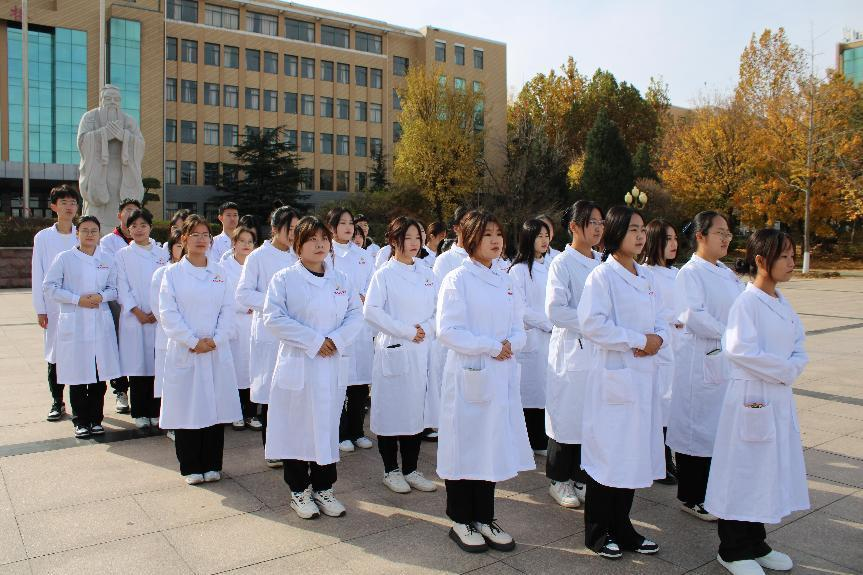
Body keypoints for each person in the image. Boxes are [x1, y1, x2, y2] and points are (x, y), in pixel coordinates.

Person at [705, 229, 809, 575]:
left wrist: (791, 368)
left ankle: (755, 541)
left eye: (793, 256)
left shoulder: (781, 301)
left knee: (764, 472)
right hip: (752, 398)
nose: (792, 262)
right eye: (785, 256)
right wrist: (785, 370)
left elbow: (799, 346)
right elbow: (739, 349)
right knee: (743, 472)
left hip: (775, 396)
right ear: (762, 261)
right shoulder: (747, 302)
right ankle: (732, 549)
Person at [436, 209, 533, 554]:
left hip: (499, 373)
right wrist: (492, 347)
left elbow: (519, 326)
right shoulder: (457, 279)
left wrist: (510, 344)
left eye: (498, 234)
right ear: (470, 239)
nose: (495, 240)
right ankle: (460, 519)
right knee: (465, 445)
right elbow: (448, 330)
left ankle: (484, 517)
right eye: (487, 234)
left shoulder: (506, 280)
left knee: (490, 445)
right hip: (470, 373)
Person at [576, 205, 665, 559]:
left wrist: (659, 338)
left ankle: (623, 526)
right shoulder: (602, 276)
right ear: (615, 233)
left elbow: (662, 319)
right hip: (614, 377)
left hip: (642, 377)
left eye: (643, 230)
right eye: (633, 230)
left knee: (632, 453)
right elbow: (593, 324)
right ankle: (598, 531)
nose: (640, 236)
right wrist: (639, 340)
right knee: (608, 454)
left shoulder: (646, 276)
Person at [263, 216, 364, 519]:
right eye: (311, 239)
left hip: (330, 365)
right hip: (300, 364)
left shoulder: (341, 279)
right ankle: (299, 491)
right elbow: (273, 318)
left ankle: (324, 488)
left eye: (323, 239)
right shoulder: (284, 279)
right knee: (296, 430)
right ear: (298, 245)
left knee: (327, 429)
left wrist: (335, 340)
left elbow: (355, 315)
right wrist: (314, 341)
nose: (319, 245)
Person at [667, 211, 743, 521]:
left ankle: (712, 491)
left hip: (724, 359)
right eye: (719, 233)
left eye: (728, 233)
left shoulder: (726, 272)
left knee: (716, 429)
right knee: (696, 429)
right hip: (700, 360)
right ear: (700, 236)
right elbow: (692, 315)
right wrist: (730, 334)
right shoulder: (690, 273)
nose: (726, 239)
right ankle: (691, 496)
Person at [159, 215, 242, 485]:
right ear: (184, 239)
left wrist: (216, 339)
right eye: (194, 234)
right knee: (188, 409)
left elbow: (228, 309)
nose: (201, 239)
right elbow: (168, 314)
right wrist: (193, 341)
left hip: (216, 349)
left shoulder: (219, 273)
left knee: (215, 408)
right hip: (187, 350)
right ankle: (190, 466)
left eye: (205, 234)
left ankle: (212, 463)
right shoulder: (172, 274)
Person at [364, 217, 438, 494]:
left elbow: (439, 310)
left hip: (421, 350)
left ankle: (411, 468)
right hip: (395, 347)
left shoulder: (427, 273)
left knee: (415, 413)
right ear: (394, 240)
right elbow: (371, 311)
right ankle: (391, 470)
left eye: (418, 237)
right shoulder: (384, 274)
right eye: (408, 238)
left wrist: (426, 328)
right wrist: (407, 331)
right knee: (391, 412)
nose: (415, 243)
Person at [544, 200, 604, 509]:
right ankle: (559, 478)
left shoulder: (604, 262)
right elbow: (556, 310)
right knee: (566, 416)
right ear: (574, 227)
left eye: (601, 222)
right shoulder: (562, 263)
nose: (598, 228)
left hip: (598, 352)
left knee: (589, 417)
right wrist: (593, 324)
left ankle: (581, 476)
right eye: (592, 222)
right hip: (573, 349)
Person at [43, 215, 121, 438]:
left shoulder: (107, 259)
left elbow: (114, 289)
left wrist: (100, 297)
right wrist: (77, 300)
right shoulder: (65, 258)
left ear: (99, 234)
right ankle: (80, 421)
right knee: (77, 376)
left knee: (98, 375)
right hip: (75, 321)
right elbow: (49, 287)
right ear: (77, 233)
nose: (89, 234)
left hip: (100, 321)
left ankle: (96, 419)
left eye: (94, 231)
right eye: (85, 230)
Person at [236, 206, 300, 467]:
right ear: (274, 229)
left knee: (293, 391)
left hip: (295, 332)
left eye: (297, 229)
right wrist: (275, 302)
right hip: (269, 332)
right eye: (289, 229)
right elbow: (243, 294)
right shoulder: (258, 257)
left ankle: (292, 446)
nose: (293, 234)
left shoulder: (299, 255)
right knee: (272, 393)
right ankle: (272, 448)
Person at [326, 207, 375, 453]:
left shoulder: (363, 255)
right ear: (332, 227)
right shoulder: (327, 254)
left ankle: (357, 430)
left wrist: (365, 295)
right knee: (340, 382)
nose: (348, 227)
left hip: (361, 325)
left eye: (350, 223)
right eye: (342, 223)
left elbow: (371, 283)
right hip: (338, 323)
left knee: (360, 383)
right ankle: (340, 432)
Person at [115, 208, 167, 430]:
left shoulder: (162, 254)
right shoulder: (122, 255)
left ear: (150, 228)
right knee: (137, 368)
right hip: (134, 319)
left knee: (156, 366)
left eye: (143, 225)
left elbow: (166, 285)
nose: (138, 230)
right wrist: (136, 311)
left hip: (158, 318)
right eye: (134, 226)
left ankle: (155, 411)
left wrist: (157, 312)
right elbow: (121, 286)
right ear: (128, 229)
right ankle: (139, 411)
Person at [32, 184, 80, 422]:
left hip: (80, 305)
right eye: (64, 203)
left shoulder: (82, 233)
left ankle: (80, 405)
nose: (69, 207)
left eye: (73, 203)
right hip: (53, 306)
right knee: (55, 354)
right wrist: (40, 309)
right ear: (53, 207)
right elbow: (38, 274)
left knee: (78, 353)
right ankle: (57, 401)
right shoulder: (43, 238)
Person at [641, 219, 682, 485]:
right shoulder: (646, 273)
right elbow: (653, 310)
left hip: (678, 346)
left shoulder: (676, 273)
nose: (674, 244)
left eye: (676, 239)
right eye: (668, 239)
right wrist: (676, 317)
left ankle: (668, 458)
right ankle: (660, 460)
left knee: (671, 407)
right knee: (659, 407)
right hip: (660, 348)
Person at [507, 219, 552, 456]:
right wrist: (548, 323)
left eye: (546, 236)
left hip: (551, 340)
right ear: (528, 239)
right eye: (539, 236)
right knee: (530, 393)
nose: (544, 240)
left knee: (547, 391)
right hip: (532, 338)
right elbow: (520, 308)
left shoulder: (551, 265)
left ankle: (543, 438)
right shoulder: (518, 270)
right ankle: (531, 440)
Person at [99, 197, 143, 416]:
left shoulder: (148, 241)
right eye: (128, 210)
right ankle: (120, 391)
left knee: (138, 351)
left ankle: (140, 395)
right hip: (117, 301)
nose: (131, 214)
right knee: (118, 347)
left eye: (136, 210)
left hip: (142, 305)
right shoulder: (108, 242)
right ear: (119, 215)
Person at [221, 226, 262, 431]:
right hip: (234, 322)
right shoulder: (223, 267)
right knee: (235, 370)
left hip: (254, 321)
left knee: (252, 369)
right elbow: (224, 295)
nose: (246, 245)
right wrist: (244, 305)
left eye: (250, 242)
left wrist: (254, 304)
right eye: (242, 241)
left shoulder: (256, 264)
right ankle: (235, 412)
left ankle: (251, 412)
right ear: (233, 243)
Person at [150, 229, 183, 441]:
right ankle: (171, 424)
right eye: (178, 245)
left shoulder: (205, 272)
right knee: (168, 382)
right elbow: (158, 308)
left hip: (195, 340)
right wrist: (180, 330)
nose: (183, 249)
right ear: (171, 249)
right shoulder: (162, 274)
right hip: (169, 336)